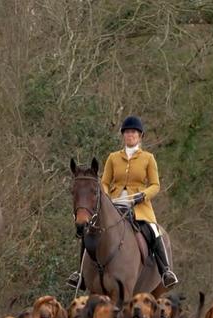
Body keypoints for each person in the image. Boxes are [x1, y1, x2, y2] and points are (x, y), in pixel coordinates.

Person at [66, 115, 178, 289]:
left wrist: (142, 196)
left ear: (140, 136)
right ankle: (80, 274)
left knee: (154, 231)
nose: (130, 135)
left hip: (139, 205)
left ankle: (165, 271)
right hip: (114, 203)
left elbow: (155, 185)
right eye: (127, 132)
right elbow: (104, 181)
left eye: (133, 132)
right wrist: (106, 197)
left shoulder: (148, 158)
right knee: (89, 229)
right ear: (123, 135)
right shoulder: (113, 158)